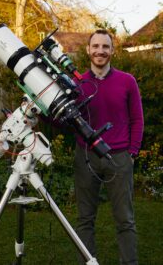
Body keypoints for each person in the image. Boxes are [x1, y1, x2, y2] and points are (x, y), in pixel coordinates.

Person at [73, 29, 144, 265]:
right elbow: (60, 118)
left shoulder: (127, 81)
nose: (100, 51)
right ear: (88, 50)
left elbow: (137, 119)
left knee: (125, 220)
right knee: (85, 219)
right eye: (96, 46)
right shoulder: (77, 83)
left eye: (105, 46)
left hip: (119, 157)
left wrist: (132, 152)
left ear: (112, 50)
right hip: (86, 158)